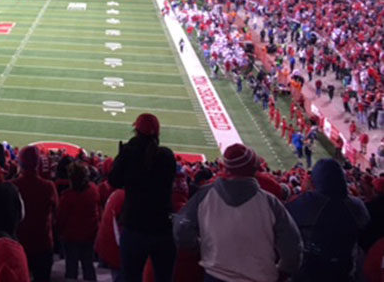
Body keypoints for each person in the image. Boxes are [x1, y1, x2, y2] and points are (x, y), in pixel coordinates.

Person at [173, 143, 303, 282]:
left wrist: (201, 248)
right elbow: (293, 249)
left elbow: (182, 230)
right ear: (253, 169)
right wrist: (282, 272)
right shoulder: (271, 203)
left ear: (226, 167)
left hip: (215, 275)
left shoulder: (205, 195)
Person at [108, 113, 177, 282]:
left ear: (136, 131)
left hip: (135, 225)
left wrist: (125, 152)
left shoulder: (130, 154)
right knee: (164, 278)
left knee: (130, 276)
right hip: (163, 227)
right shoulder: (167, 156)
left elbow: (114, 181)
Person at [286, 159, 370, 281]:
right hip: (344, 271)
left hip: (309, 272)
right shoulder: (357, 205)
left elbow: (286, 218)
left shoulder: (309, 203)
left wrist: (306, 192)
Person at [12, 146, 58, 282]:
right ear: (37, 163)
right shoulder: (48, 186)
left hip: (18, 244)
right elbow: (56, 214)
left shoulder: (12, 186)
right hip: (42, 244)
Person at [57, 161, 100, 281]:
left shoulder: (68, 196)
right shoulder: (93, 190)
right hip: (89, 235)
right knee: (88, 265)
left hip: (71, 237)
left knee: (71, 267)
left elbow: (61, 219)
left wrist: (59, 232)